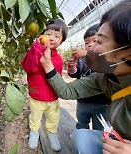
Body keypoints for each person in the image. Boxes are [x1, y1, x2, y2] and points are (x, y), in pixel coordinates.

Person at [40, 0, 131, 153]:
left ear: (128, 54)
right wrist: (48, 65)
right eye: (88, 42)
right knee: (80, 135)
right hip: (117, 143)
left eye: (99, 41)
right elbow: (67, 91)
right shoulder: (103, 78)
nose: (91, 48)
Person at [21, 18, 68, 151]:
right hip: (37, 96)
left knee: (53, 118)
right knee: (35, 117)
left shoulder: (59, 58)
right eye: (48, 34)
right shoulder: (35, 52)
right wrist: (37, 48)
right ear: (42, 35)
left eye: (57, 36)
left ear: (62, 41)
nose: (52, 38)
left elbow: (58, 78)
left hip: (52, 97)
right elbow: (28, 67)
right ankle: (34, 133)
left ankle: (52, 134)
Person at [67, 24, 110, 130]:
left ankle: (98, 144)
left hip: (102, 104)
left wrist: (87, 54)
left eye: (95, 41)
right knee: (81, 123)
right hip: (83, 101)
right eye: (87, 42)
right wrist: (71, 67)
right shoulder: (82, 60)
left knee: (100, 129)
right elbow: (75, 74)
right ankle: (81, 139)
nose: (90, 45)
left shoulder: (107, 58)